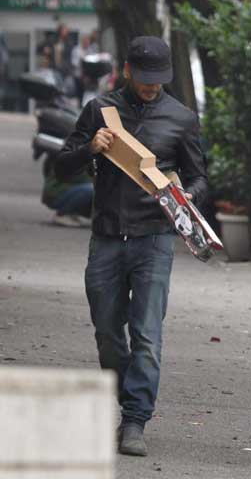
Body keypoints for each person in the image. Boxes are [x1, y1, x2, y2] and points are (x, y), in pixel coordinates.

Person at [55, 36, 208, 457]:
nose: (150, 86)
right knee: (107, 332)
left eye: (157, 80)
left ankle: (136, 419)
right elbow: (62, 164)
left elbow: (199, 176)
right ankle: (129, 397)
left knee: (147, 335)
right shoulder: (99, 111)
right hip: (105, 236)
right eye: (143, 78)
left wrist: (188, 196)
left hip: (155, 239)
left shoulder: (181, 118)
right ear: (127, 70)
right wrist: (90, 148)